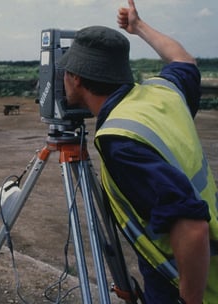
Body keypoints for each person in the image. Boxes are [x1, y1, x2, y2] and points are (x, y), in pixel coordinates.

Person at [59, 0, 218, 303]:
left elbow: (192, 227)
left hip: (182, 283)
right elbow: (184, 60)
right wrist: (138, 26)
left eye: (66, 72)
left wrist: (190, 299)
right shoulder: (162, 92)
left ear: (77, 78)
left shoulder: (120, 140)